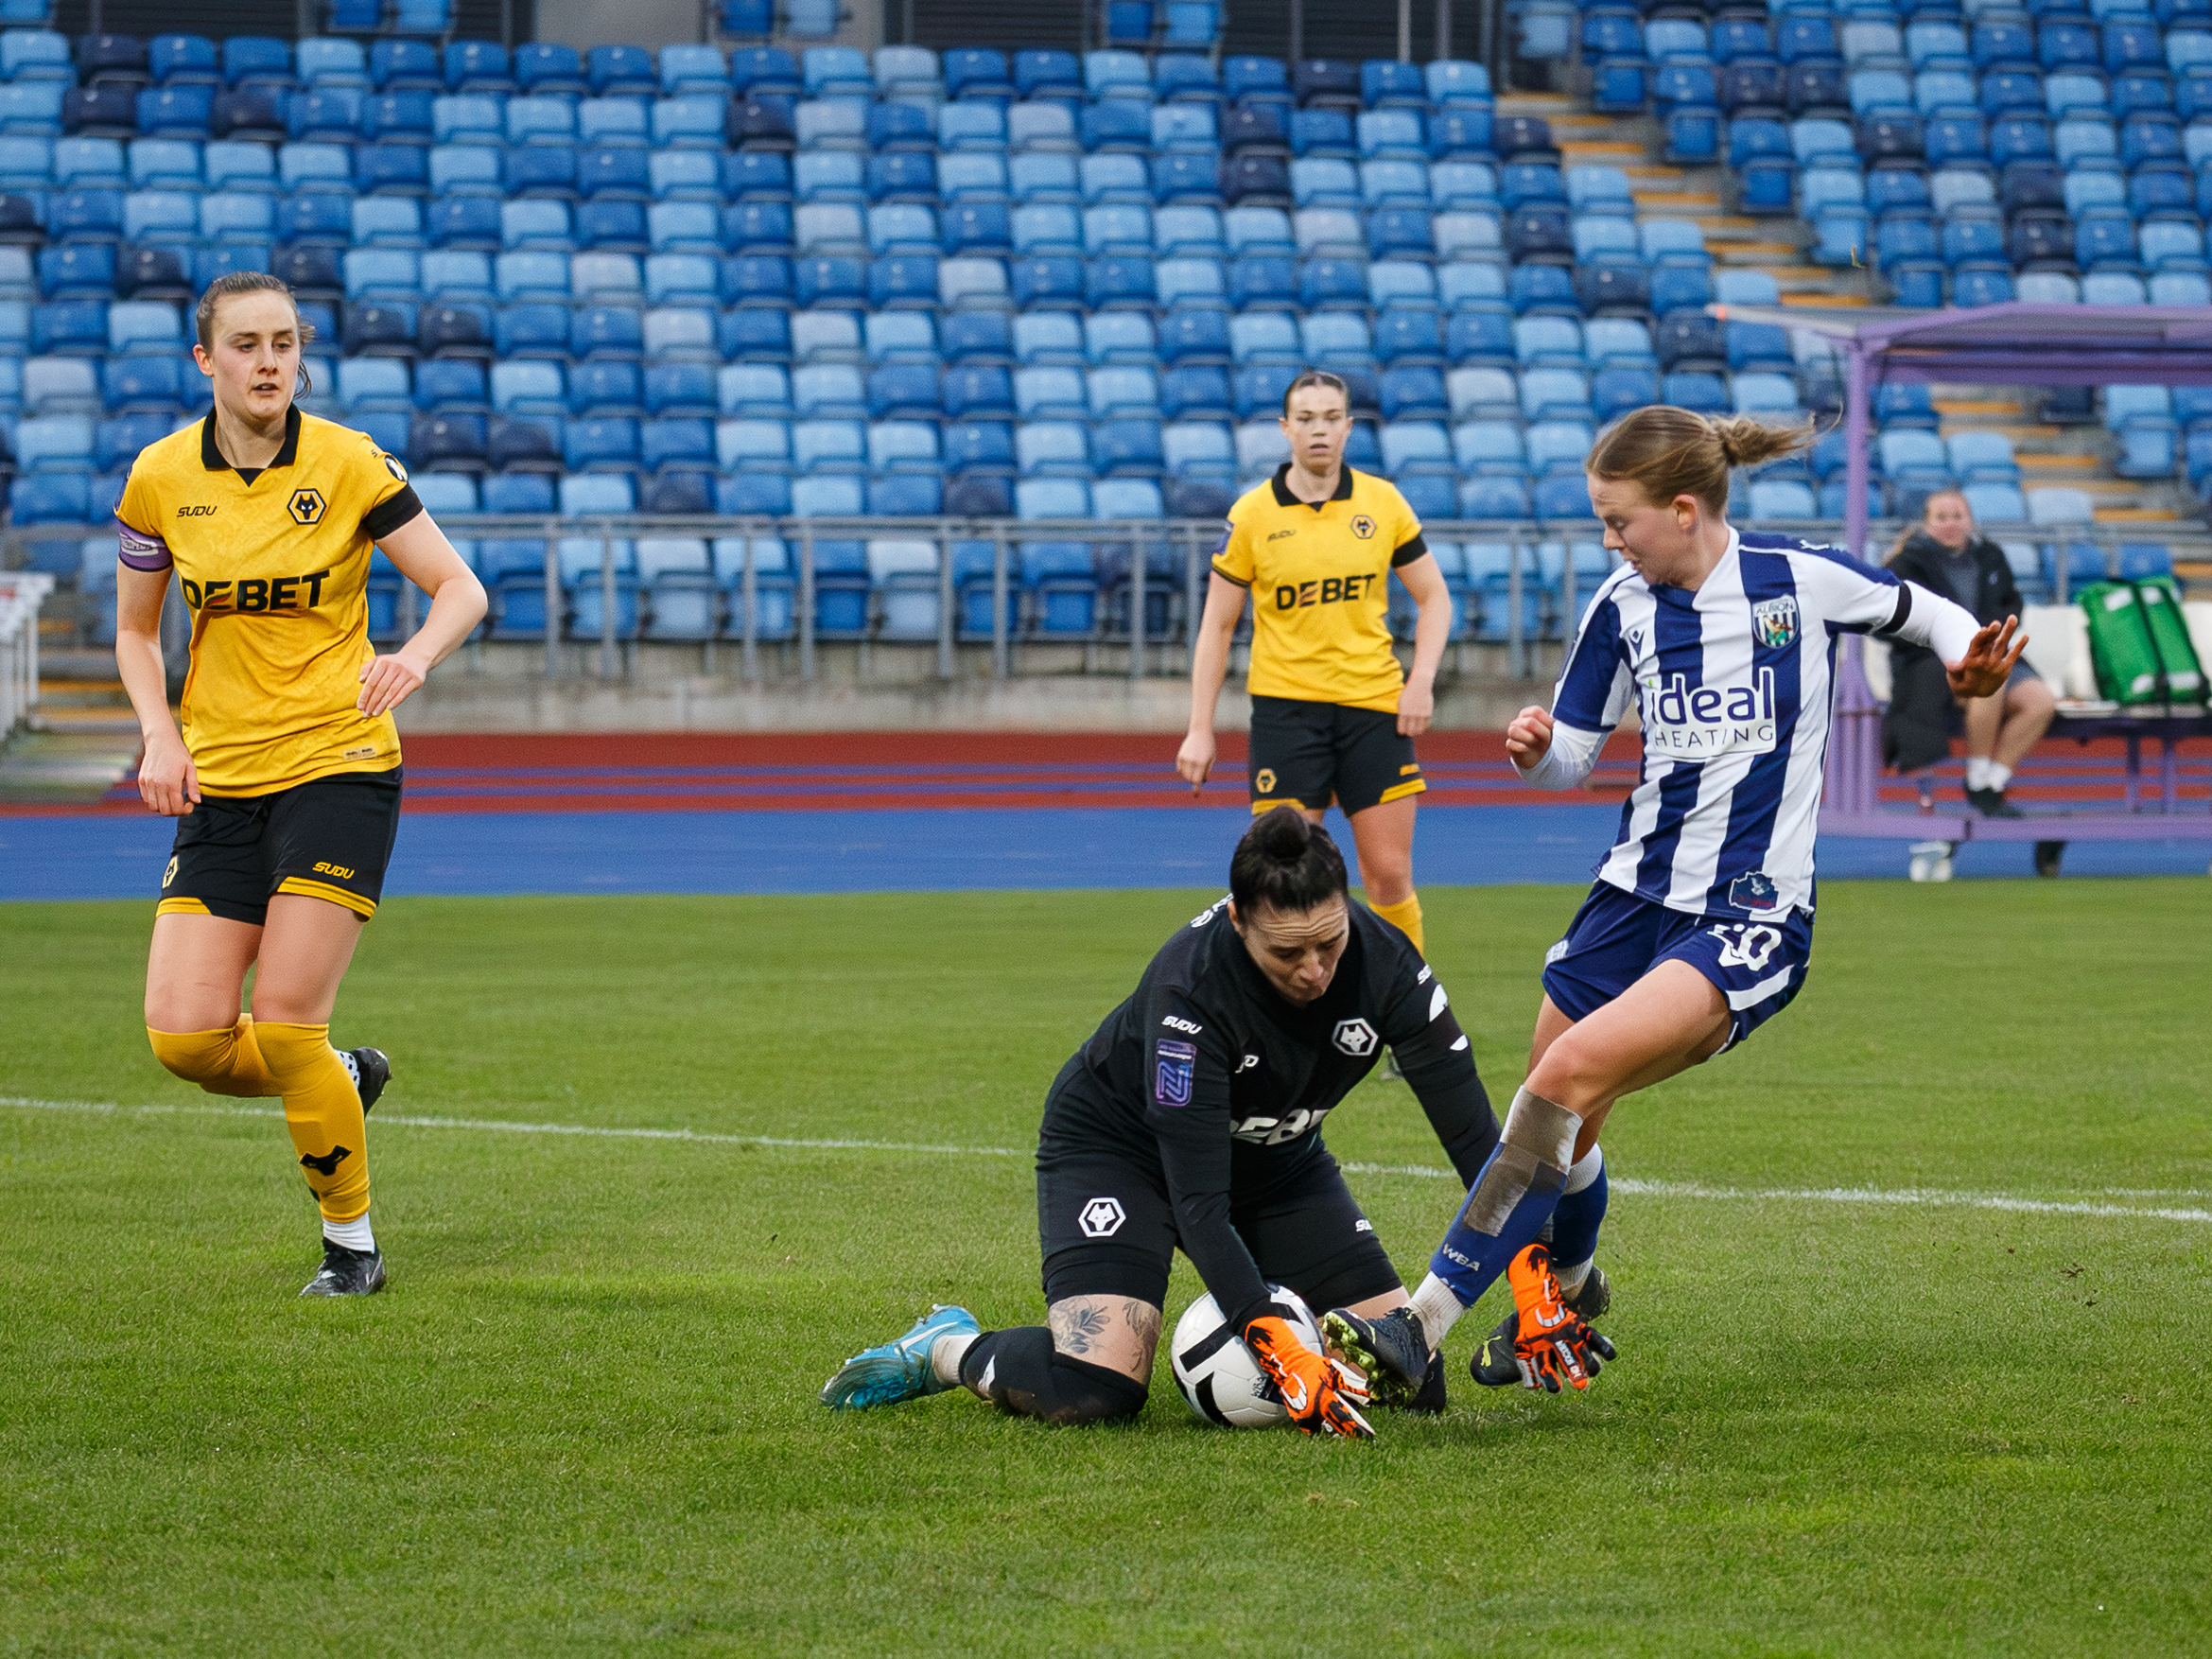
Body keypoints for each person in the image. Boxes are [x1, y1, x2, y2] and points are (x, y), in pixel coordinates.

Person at [1326, 408, 2024, 1400]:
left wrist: (1968, 657)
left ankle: (1418, 1324)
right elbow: (1572, 755)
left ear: (1684, 509)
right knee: (1561, 1118)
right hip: (1630, 894)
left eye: (1620, 521)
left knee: (1562, 1080)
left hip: (1747, 913)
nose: (1611, 541)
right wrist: (1536, 753)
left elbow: (1924, 611)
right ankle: (1568, 1287)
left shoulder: (1793, 577)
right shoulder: (1621, 605)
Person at [820, 809, 1607, 1438]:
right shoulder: (1188, 998)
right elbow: (1198, 1203)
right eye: (1286, 953)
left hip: (1278, 1162)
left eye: (1328, 942)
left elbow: (1478, 1145)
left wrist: (1530, 1278)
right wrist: (1279, 1344)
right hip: (1122, 1152)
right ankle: (949, 1348)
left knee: (1411, 1385)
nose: (1313, 970)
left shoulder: (1390, 965)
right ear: (1237, 920)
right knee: (1094, 1392)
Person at [113, 271, 486, 1298]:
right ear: (205, 359)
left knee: (283, 1022)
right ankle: (343, 1078)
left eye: (284, 342)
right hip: (222, 779)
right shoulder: (158, 477)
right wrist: (158, 735)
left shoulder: (348, 461)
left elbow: (459, 588)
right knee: (185, 1039)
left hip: (339, 766)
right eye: (246, 344)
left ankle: (351, 1246)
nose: (269, 361)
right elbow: (136, 632)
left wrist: (413, 657)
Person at [1176, 370, 1454, 958]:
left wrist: (1421, 680)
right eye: (1306, 419)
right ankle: (1300, 1001)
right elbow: (1217, 626)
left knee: (1388, 876)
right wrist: (1200, 727)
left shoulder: (1382, 502)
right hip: (1287, 712)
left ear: (1348, 427)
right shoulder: (1253, 515)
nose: (1319, 430)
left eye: (1331, 418)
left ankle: (1407, 1003)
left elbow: (1435, 597)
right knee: (1287, 878)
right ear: (1286, 428)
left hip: (1373, 708)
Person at [1882, 488, 2055, 818]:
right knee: (1989, 686)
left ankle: (1992, 782)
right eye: (1941, 517)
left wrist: (1990, 634)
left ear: (1970, 521)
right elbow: (1894, 620)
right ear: (1926, 524)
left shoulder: (1991, 555)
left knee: (2040, 702)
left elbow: (2011, 602)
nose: (1950, 524)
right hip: (1936, 661)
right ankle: (1976, 776)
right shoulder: (1906, 563)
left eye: (1957, 516)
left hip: (1993, 649)